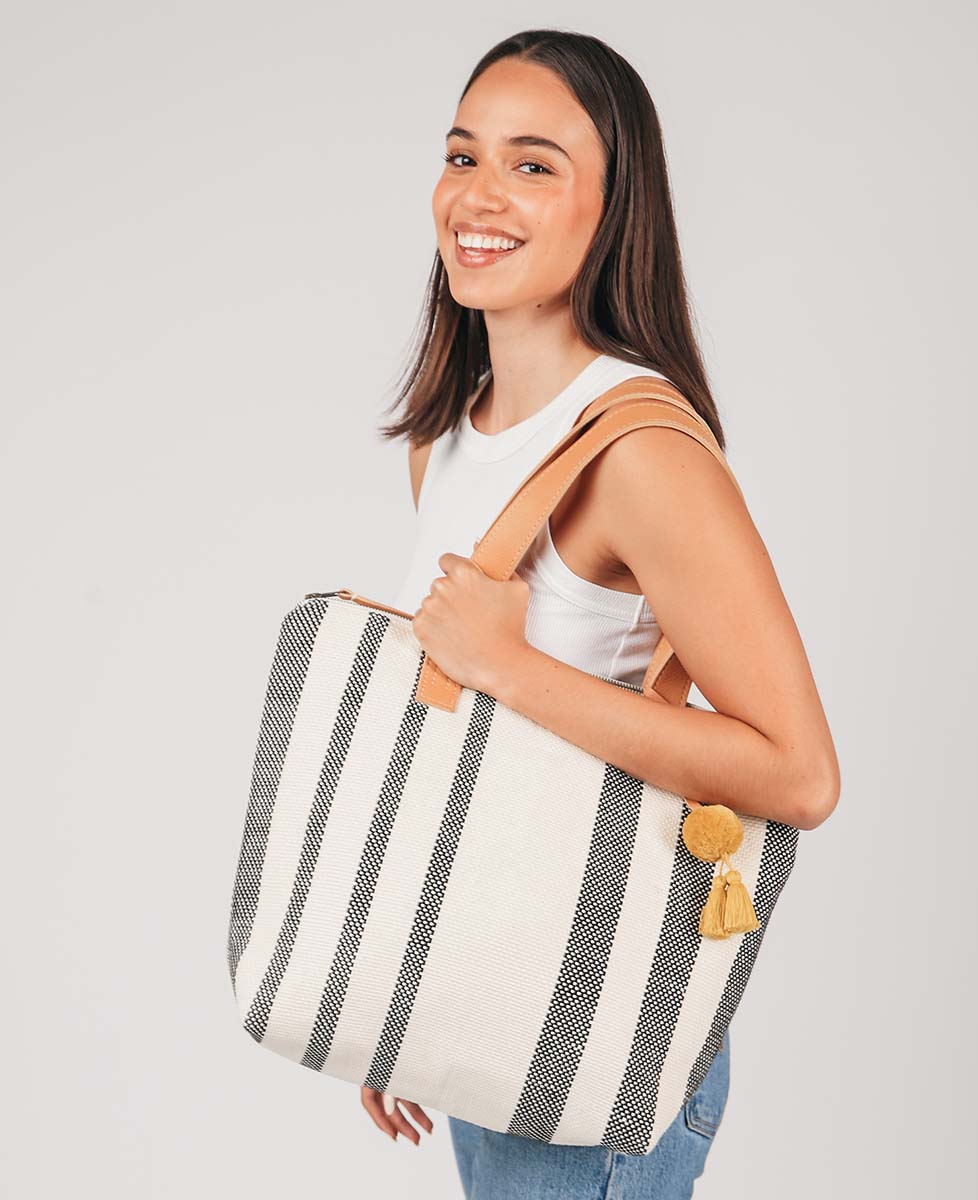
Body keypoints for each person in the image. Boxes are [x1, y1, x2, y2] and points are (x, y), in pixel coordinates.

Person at [360, 28, 840, 1198]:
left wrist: (510, 666)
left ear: (613, 208)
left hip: (600, 1016)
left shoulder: (639, 454)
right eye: (463, 154)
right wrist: (404, 983)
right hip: (493, 1000)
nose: (480, 194)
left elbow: (798, 774)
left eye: (535, 165)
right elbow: (473, 757)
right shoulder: (451, 437)